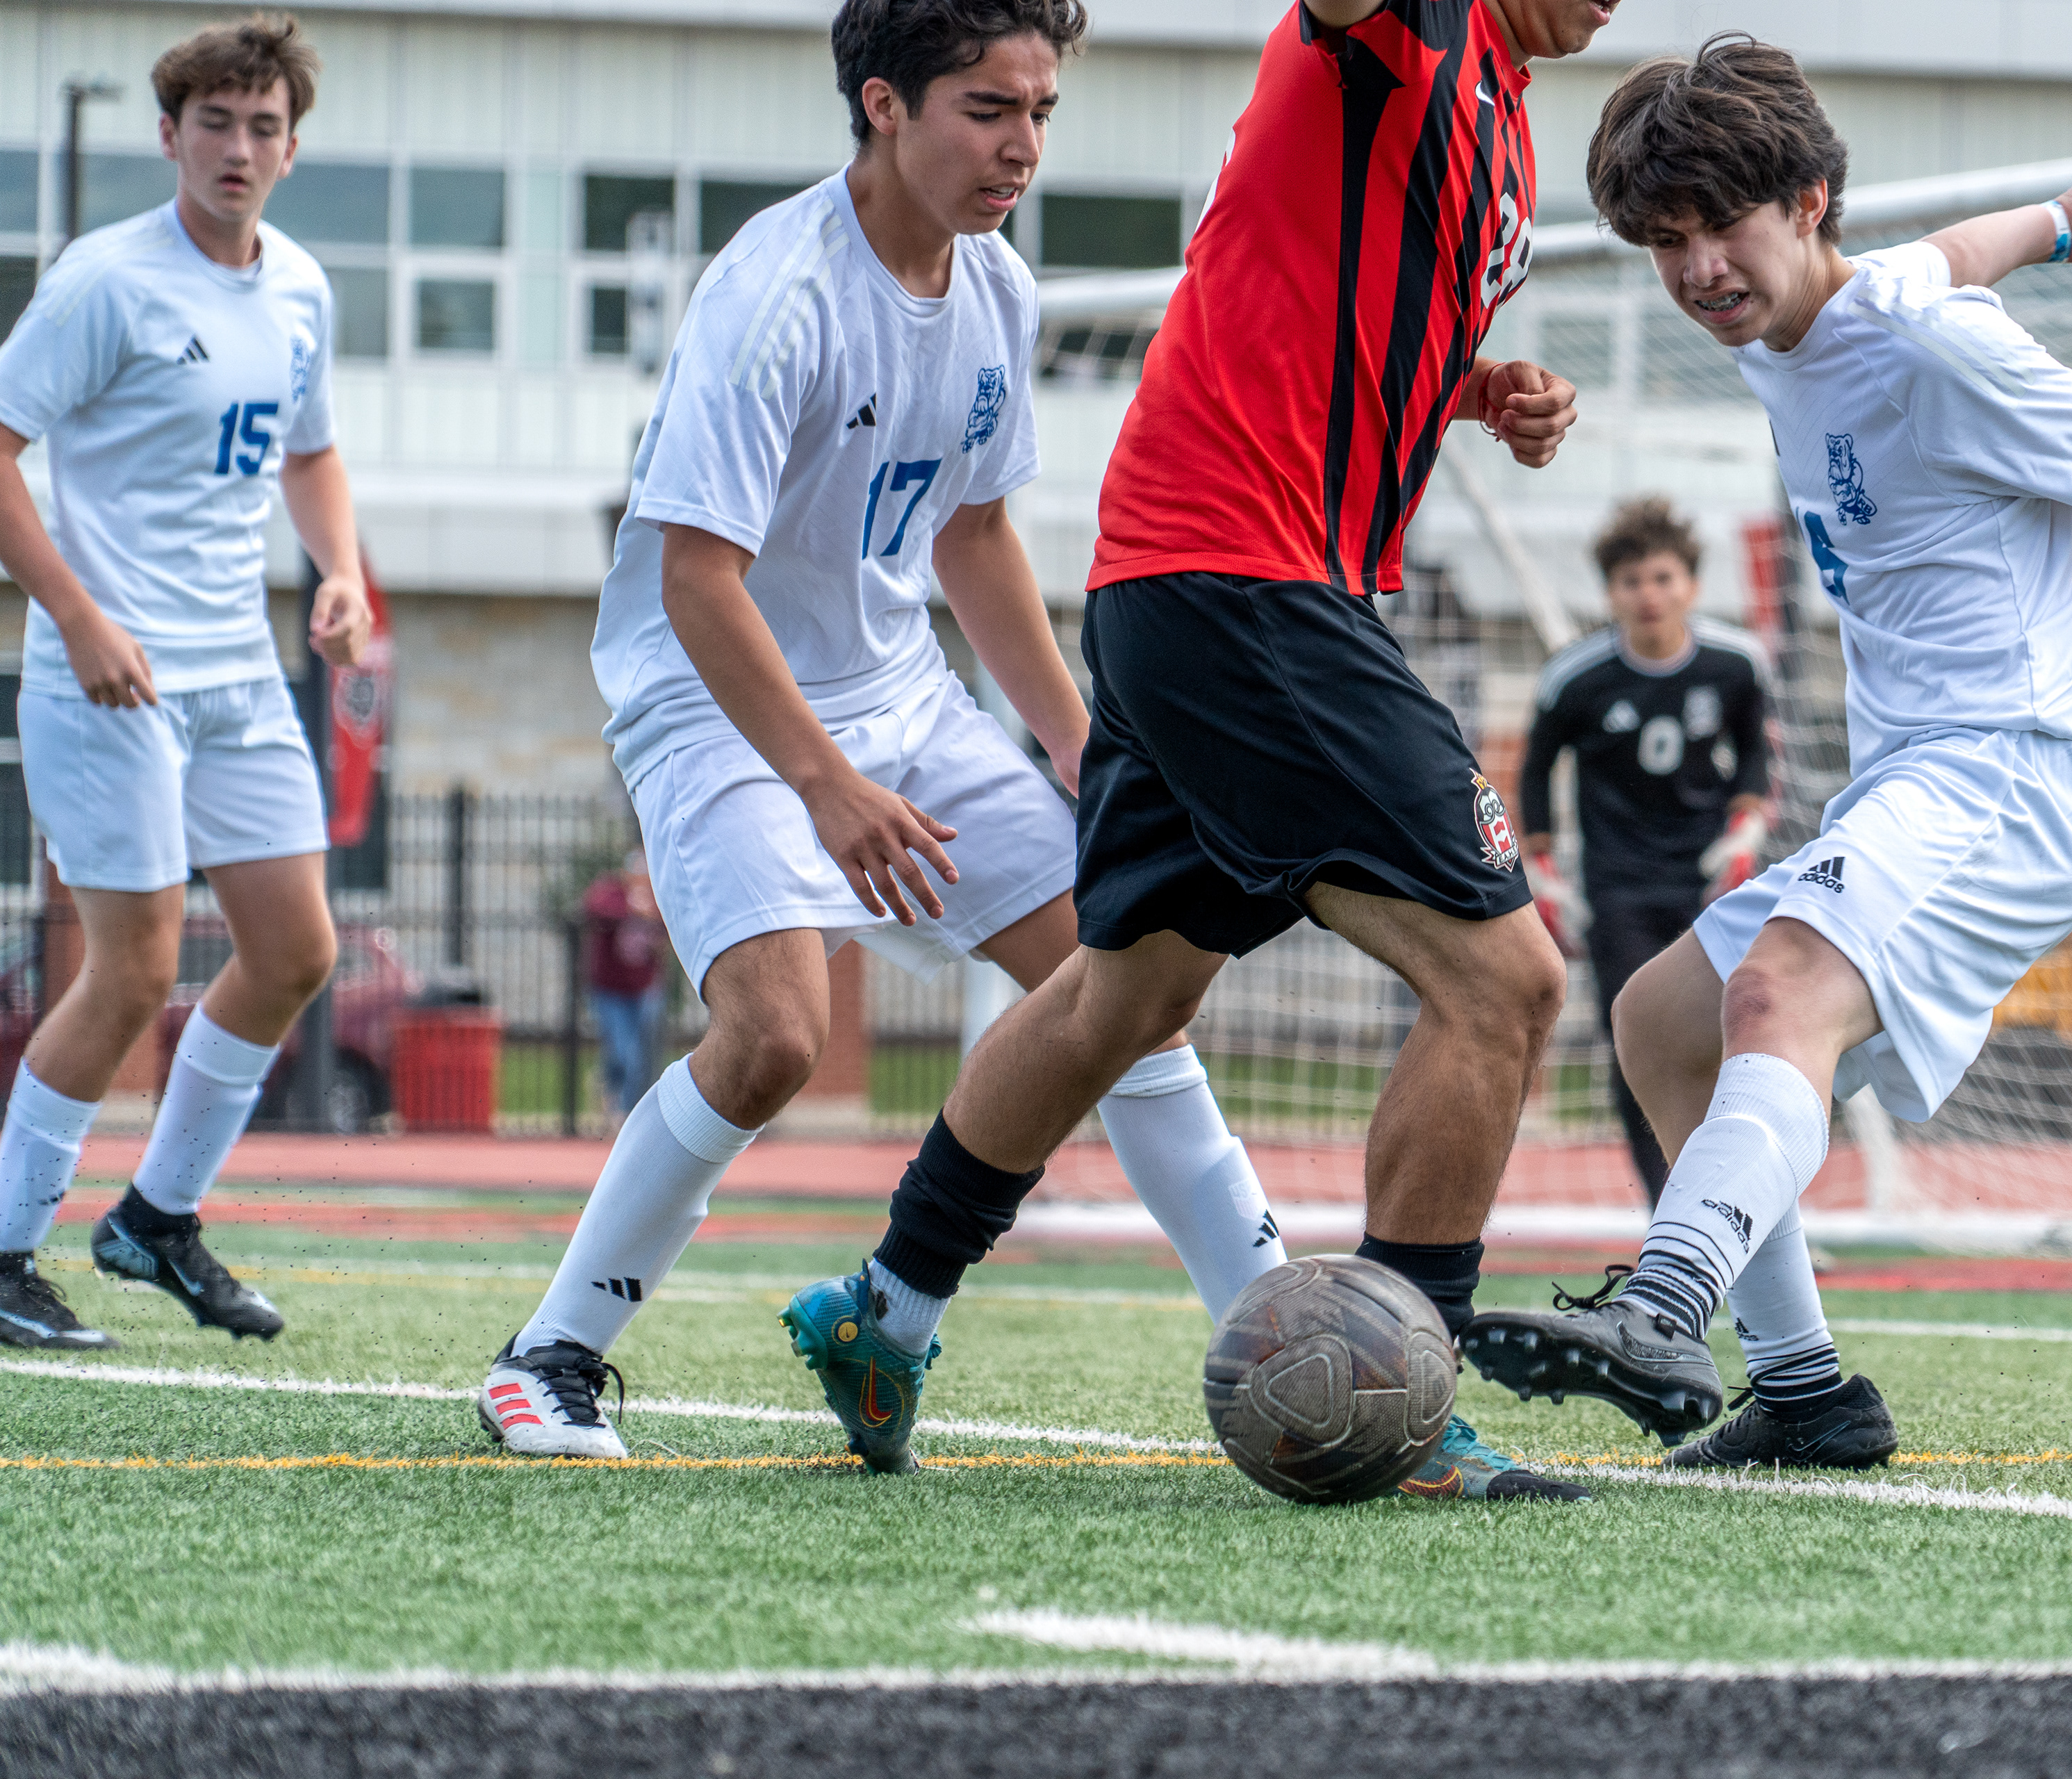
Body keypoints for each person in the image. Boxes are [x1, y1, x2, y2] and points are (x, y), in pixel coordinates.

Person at [788, 0, 1617, 1505]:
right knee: (1506, 980)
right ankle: (1408, 1399)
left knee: (1126, 991)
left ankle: (883, 1308)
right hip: (1247, 582)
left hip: (1190, 579)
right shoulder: (1397, 31)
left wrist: (1472, 386)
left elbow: (1326, 310)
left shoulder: (1502, 105)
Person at [1464, 35, 2072, 1471]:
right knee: (1665, 1022)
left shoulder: (1936, 346)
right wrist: (2063, 222)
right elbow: (1949, 250)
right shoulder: (1814, 315)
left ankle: (1664, 1306)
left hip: (2012, 775)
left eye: (1722, 226)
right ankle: (1806, 1395)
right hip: (1920, 781)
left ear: (1807, 201)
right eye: (1666, 241)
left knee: (1779, 992)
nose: (1699, 271)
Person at [475, 0, 1287, 1462]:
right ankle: (549, 1356)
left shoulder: (1000, 287)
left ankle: (1278, 1338)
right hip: (718, 706)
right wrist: (826, 783)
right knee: (776, 1040)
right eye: (988, 109)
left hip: (907, 698)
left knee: (1134, 977)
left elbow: (975, 536)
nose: (1023, 146)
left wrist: (1080, 746)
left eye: (1041, 111)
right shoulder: (775, 292)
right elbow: (696, 578)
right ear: (884, 105)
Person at [0, 13, 372, 1352]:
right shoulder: (106, 282)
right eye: (215, 122)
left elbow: (311, 454)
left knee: (297, 951)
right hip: (107, 679)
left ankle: (156, 1219)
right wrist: (77, 615)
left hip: (239, 673)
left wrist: (342, 572)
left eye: (264, 126)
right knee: (133, 969)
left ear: (291, 148)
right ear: (170, 135)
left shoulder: (302, 288)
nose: (239, 148)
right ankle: (3, 1253)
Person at [1520, 497, 1774, 1206]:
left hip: (1709, 883)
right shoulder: (1576, 677)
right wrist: (1542, 867)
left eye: (1663, 578)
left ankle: (1739, 1202)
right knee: (1636, 1042)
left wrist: (1747, 826)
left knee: (1736, 1038)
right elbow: (1536, 769)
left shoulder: (1735, 664)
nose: (1649, 595)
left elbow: (1756, 749)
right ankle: (1669, 1209)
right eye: (1632, 581)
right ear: (1611, 592)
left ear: (1692, 584)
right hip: (1618, 889)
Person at [579, 848, 668, 1121]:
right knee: (622, 1050)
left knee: (640, 1055)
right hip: (611, 989)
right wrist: (632, 908)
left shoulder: (657, 896)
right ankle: (616, 1100)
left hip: (644, 988)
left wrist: (651, 914)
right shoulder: (612, 891)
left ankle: (626, 1111)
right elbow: (594, 908)